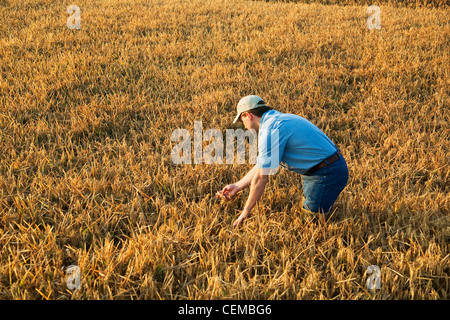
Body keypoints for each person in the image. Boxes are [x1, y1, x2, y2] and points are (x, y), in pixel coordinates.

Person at [216, 95, 349, 227]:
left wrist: (245, 211)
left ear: (248, 115)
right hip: (323, 169)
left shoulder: (270, 130)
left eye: (241, 120)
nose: (244, 126)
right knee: (308, 211)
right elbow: (263, 165)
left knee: (311, 224)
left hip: (326, 173)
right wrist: (238, 186)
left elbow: (261, 177)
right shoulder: (277, 120)